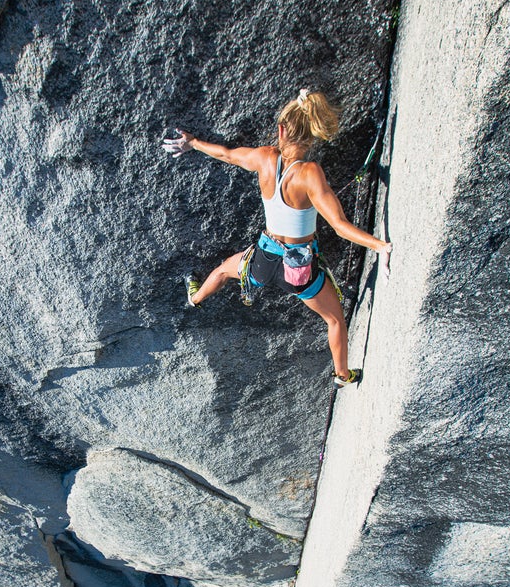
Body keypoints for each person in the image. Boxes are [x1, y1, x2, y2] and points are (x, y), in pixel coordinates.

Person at [162, 89, 392, 386]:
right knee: (334, 320)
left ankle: (195, 299)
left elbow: (227, 154)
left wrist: (192, 142)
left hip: (263, 260)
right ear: (312, 134)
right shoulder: (310, 173)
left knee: (222, 270)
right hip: (298, 271)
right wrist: (380, 246)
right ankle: (342, 375)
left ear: (281, 130)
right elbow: (338, 224)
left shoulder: (264, 158)